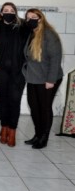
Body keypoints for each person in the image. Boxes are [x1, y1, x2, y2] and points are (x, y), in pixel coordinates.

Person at [22, 8, 63, 149]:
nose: (29, 20)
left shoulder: (49, 35)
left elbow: (55, 59)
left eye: (33, 17)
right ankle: (37, 134)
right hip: (34, 77)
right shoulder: (32, 34)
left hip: (48, 78)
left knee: (44, 108)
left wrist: (51, 80)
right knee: (34, 107)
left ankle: (44, 138)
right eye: (27, 17)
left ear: (40, 18)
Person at [0, 2, 29, 147]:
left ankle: (12, 131)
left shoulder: (22, 28)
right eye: (6, 10)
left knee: (15, 101)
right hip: (1, 71)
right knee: (3, 100)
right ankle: (4, 127)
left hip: (18, 72)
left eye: (12, 10)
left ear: (15, 13)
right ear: (1, 13)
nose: (9, 12)